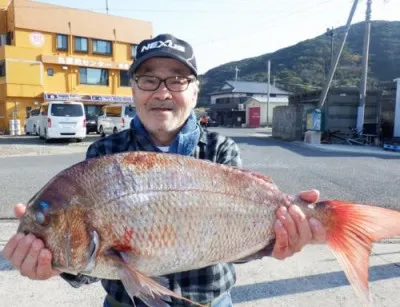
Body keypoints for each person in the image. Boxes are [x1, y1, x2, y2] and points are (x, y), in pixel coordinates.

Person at [3, 33, 326, 307]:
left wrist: (274, 241)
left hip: (210, 300)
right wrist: (55, 265)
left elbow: (232, 242)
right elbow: (93, 261)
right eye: (148, 80)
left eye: (177, 79)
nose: (162, 92)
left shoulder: (219, 149)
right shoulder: (103, 153)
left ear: (195, 91)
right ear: (134, 91)